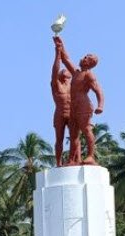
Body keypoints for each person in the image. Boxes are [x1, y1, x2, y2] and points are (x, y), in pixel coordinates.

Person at [55, 36, 104, 165]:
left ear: (90, 63)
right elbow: (65, 59)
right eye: (85, 56)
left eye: (87, 57)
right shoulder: (76, 72)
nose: (84, 57)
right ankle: (72, 159)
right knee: (73, 134)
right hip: (74, 107)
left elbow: (98, 90)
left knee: (86, 129)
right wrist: (61, 45)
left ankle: (90, 155)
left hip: (84, 106)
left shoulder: (89, 75)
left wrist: (100, 105)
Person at [51, 37, 72, 166]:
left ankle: (73, 160)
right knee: (59, 139)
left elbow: (68, 61)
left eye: (66, 71)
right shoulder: (56, 85)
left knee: (75, 138)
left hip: (71, 113)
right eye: (62, 71)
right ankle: (58, 162)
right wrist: (57, 53)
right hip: (59, 114)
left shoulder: (72, 86)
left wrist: (62, 46)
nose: (64, 71)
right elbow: (55, 70)